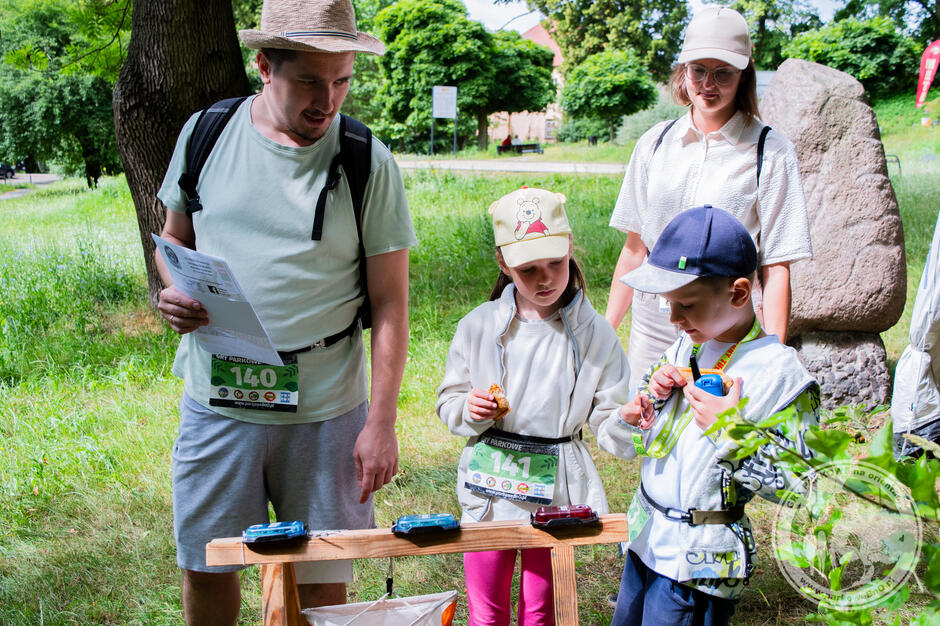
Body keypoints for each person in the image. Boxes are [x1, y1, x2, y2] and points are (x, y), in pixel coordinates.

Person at [153, 0, 416, 623]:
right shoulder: (207, 133)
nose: (328, 100)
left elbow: (390, 303)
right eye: (309, 81)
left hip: (327, 411)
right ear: (264, 66)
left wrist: (380, 423)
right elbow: (172, 240)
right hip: (218, 400)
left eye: (343, 79)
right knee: (209, 562)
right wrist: (173, 291)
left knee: (323, 575)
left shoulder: (365, 159)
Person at [597, 206, 820, 625]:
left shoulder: (779, 375)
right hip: (646, 542)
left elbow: (800, 484)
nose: (674, 319)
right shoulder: (686, 348)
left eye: (686, 305)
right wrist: (634, 415)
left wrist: (730, 430)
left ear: (738, 293)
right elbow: (625, 443)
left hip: (695, 566)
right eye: (668, 304)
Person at [436, 186, 630, 625]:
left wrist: (629, 420)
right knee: (486, 613)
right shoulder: (476, 327)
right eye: (528, 270)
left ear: (570, 247)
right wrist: (470, 408)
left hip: (555, 493)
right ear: (503, 264)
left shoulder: (596, 334)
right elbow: (449, 400)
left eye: (555, 264)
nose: (545, 280)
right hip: (490, 490)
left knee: (541, 611)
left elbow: (609, 416)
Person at [605, 6, 812, 392]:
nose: (708, 84)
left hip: (724, 321)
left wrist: (773, 357)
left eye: (723, 73)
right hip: (655, 317)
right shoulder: (655, 142)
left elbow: (777, 265)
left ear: (744, 75)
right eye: (699, 70)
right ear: (684, 71)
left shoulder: (772, 151)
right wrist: (604, 333)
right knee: (652, 430)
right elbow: (635, 247)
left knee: (719, 435)